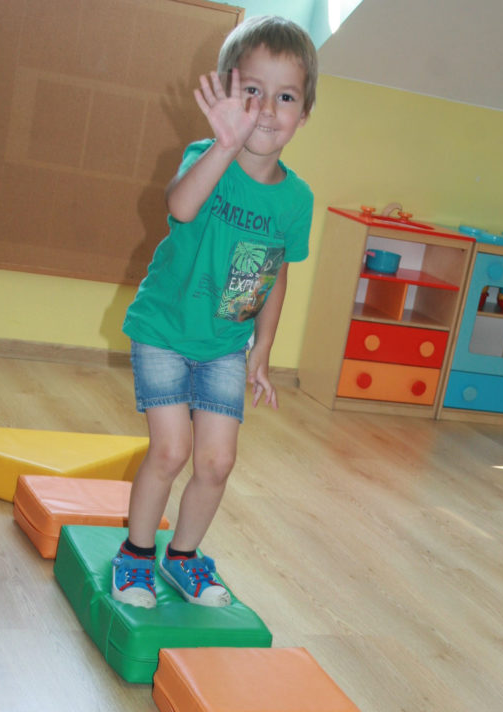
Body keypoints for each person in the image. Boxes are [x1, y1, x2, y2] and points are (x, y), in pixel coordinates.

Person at [111, 16, 317, 609]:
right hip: (164, 331)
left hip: (225, 345)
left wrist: (263, 348)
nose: (268, 110)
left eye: (286, 97)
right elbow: (179, 207)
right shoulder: (207, 156)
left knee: (217, 461)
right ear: (228, 93)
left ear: (304, 115)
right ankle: (135, 556)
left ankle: (183, 558)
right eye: (252, 91)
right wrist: (224, 145)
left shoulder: (296, 199)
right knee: (171, 451)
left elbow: (275, 273)